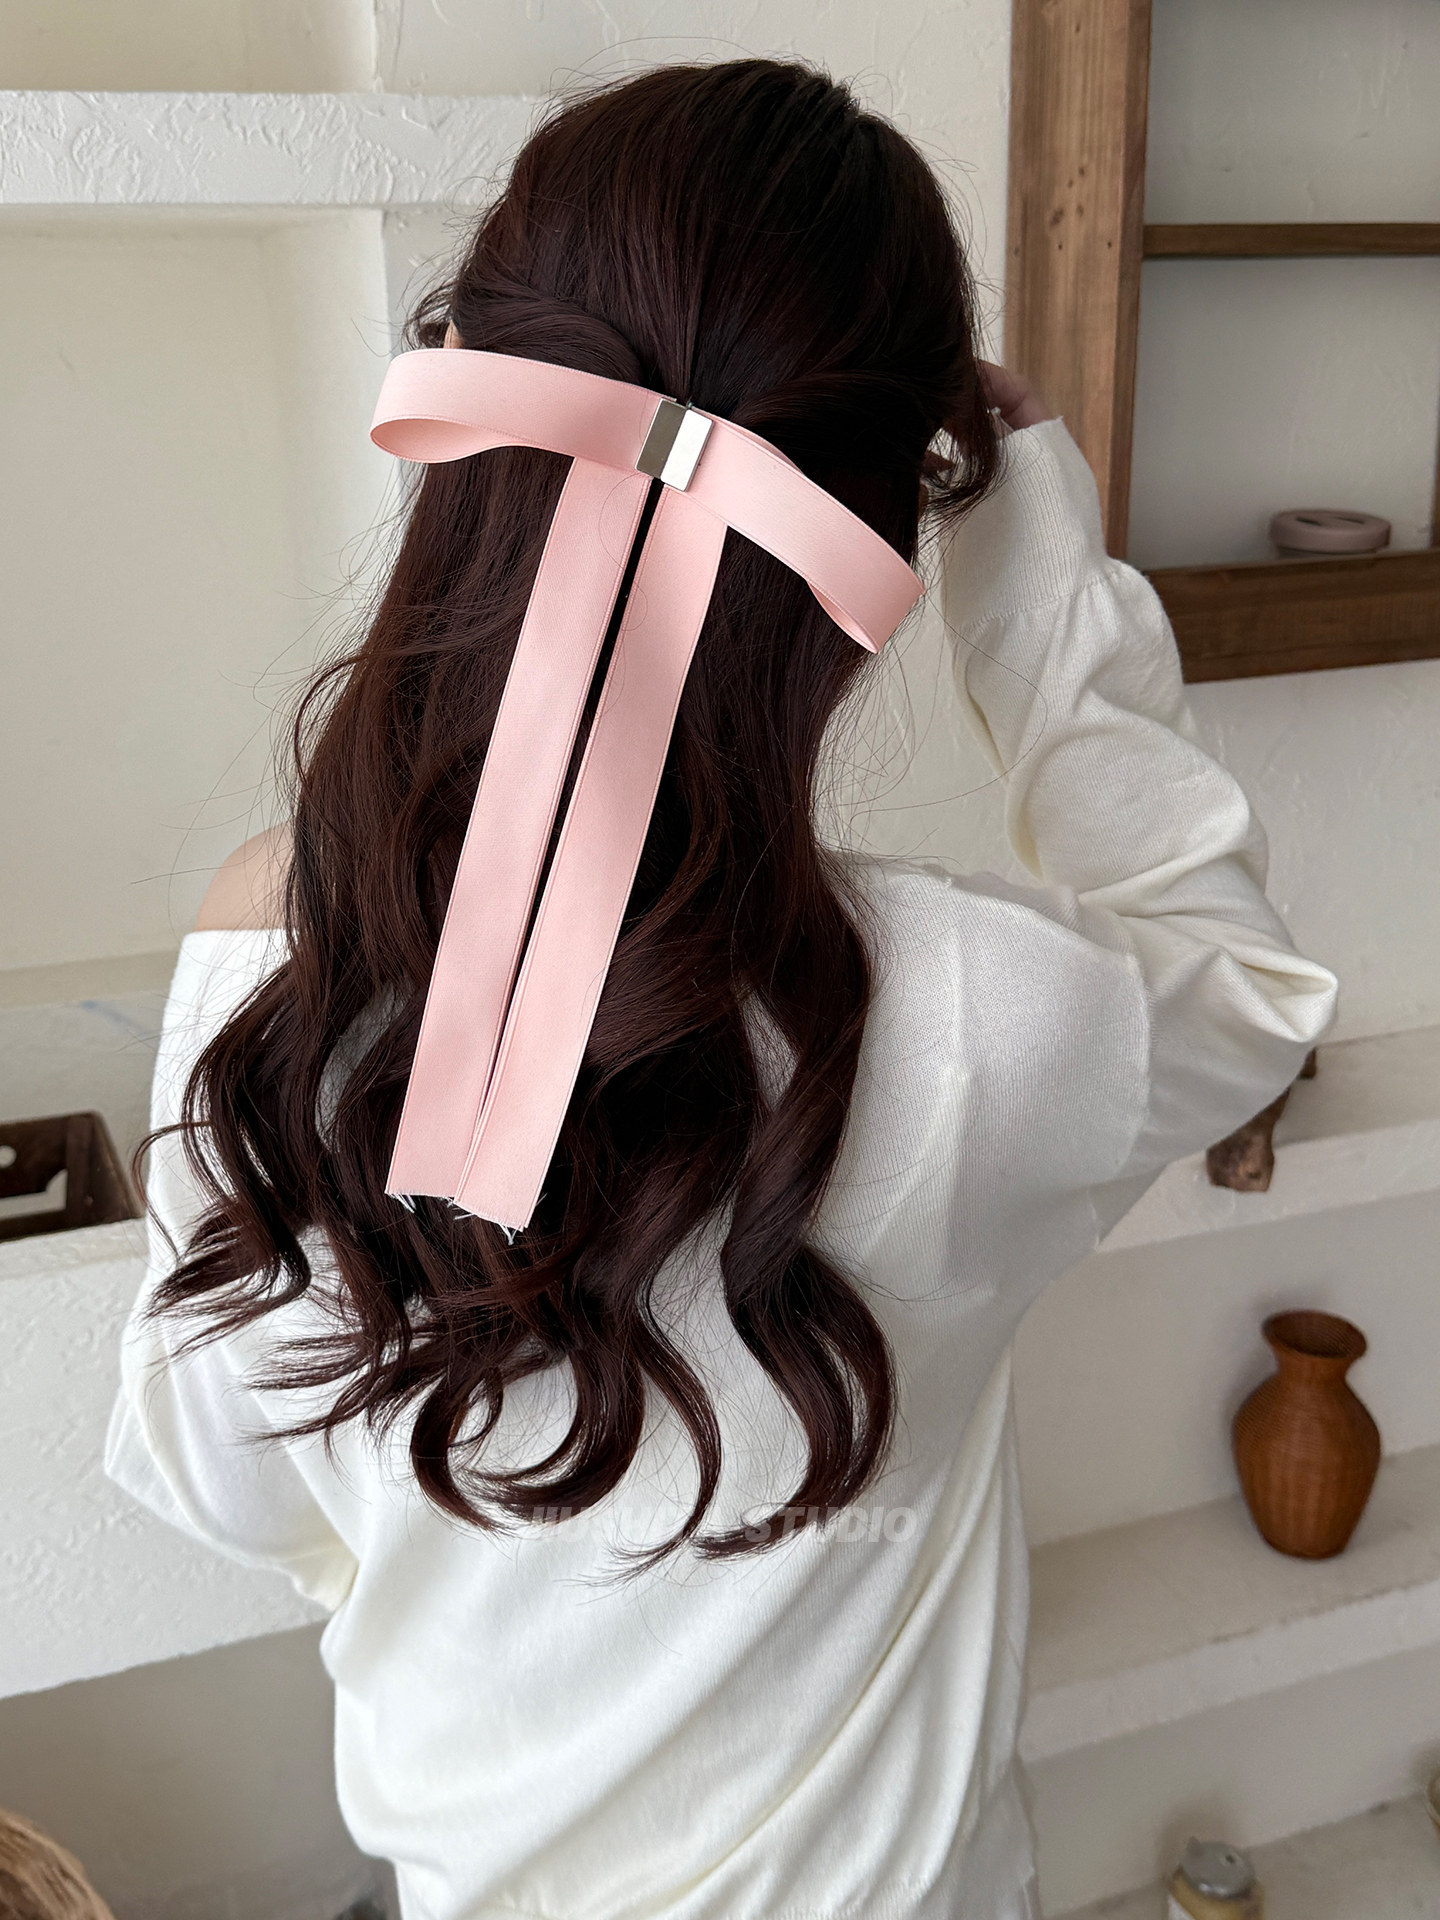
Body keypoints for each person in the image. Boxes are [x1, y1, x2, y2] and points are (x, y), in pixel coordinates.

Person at [105, 57, 1336, 1920]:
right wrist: (1045, 594)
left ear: (473, 392)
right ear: (903, 507)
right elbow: (1246, 990)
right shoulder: (982, 1017)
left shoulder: (268, 961)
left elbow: (234, 1480)